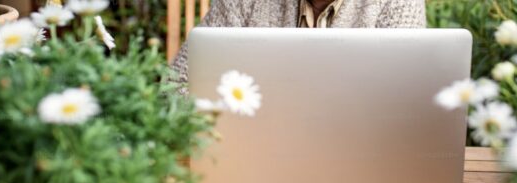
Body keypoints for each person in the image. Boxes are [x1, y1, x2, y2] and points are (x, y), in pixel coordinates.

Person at [171, 0, 427, 86]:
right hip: (257, 165)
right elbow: (176, 85)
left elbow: (412, 108)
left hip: (363, 171)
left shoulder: (399, 3)